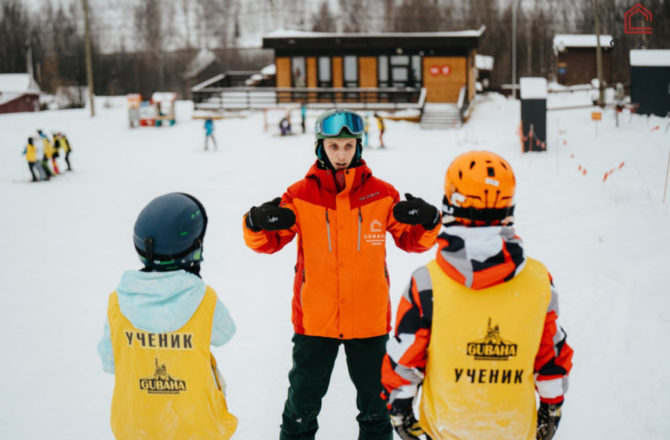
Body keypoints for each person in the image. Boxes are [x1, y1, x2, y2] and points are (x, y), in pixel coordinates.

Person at [243, 109, 441, 440]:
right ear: (321, 148)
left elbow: (412, 241)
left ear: (359, 148)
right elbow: (268, 243)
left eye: (348, 147)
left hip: (369, 322)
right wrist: (256, 223)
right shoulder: (300, 195)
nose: (341, 155)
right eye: (334, 147)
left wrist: (430, 220)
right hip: (315, 323)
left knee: (376, 410)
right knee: (301, 410)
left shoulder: (381, 194)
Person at [381, 151, 574, 440]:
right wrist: (551, 406)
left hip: (447, 429)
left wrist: (400, 409)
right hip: (513, 429)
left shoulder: (427, 282)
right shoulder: (538, 280)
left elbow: (405, 357)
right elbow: (551, 354)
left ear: (451, 204)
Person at [97, 192, 238, 440]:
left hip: (135, 428)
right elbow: (226, 334)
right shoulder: (204, 299)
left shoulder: (117, 302)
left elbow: (109, 361)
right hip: (197, 427)